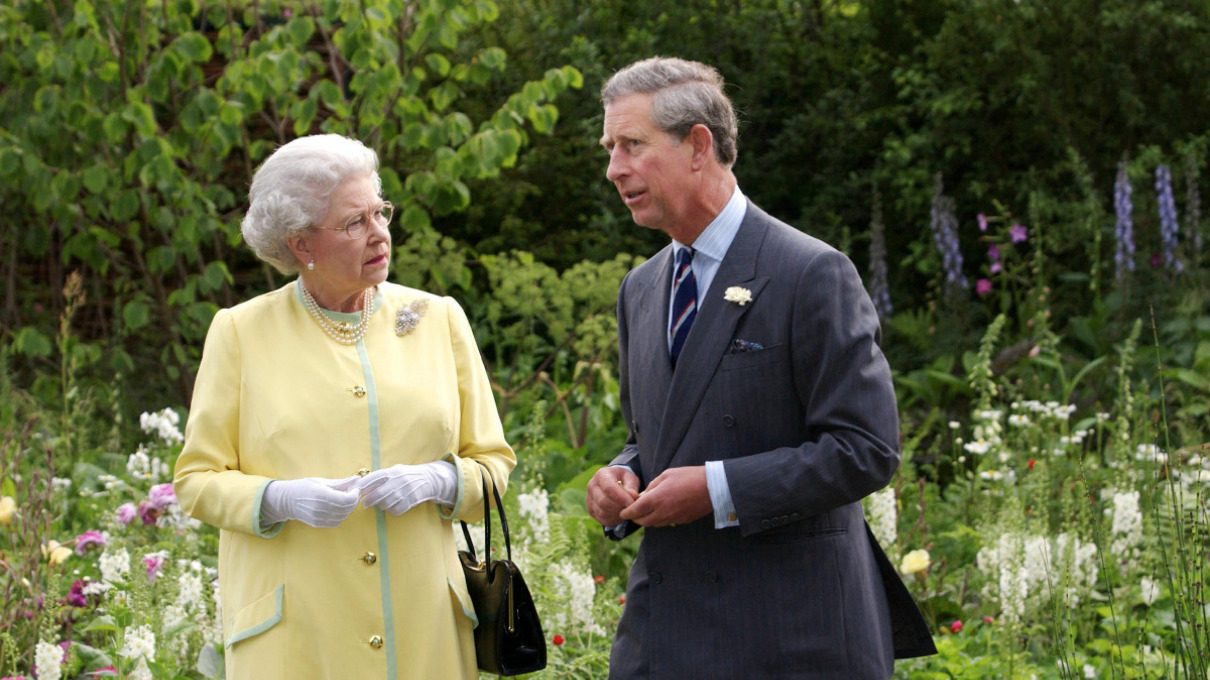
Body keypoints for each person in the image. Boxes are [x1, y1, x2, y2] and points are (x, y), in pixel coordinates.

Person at [585, 57, 937, 678]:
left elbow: (866, 448)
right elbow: (654, 438)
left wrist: (717, 489)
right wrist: (622, 475)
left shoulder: (810, 273)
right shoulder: (639, 291)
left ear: (698, 145)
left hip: (792, 636)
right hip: (665, 634)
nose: (614, 168)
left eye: (632, 145)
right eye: (611, 148)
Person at [173, 134, 515, 680]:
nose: (379, 232)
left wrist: (440, 482)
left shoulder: (439, 318)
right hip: (295, 638)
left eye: (380, 212)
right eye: (354, 222)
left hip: (424, 627)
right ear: (301, 244)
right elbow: (196, 480)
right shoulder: (240, 332)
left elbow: (494, 465)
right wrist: (277, 498)